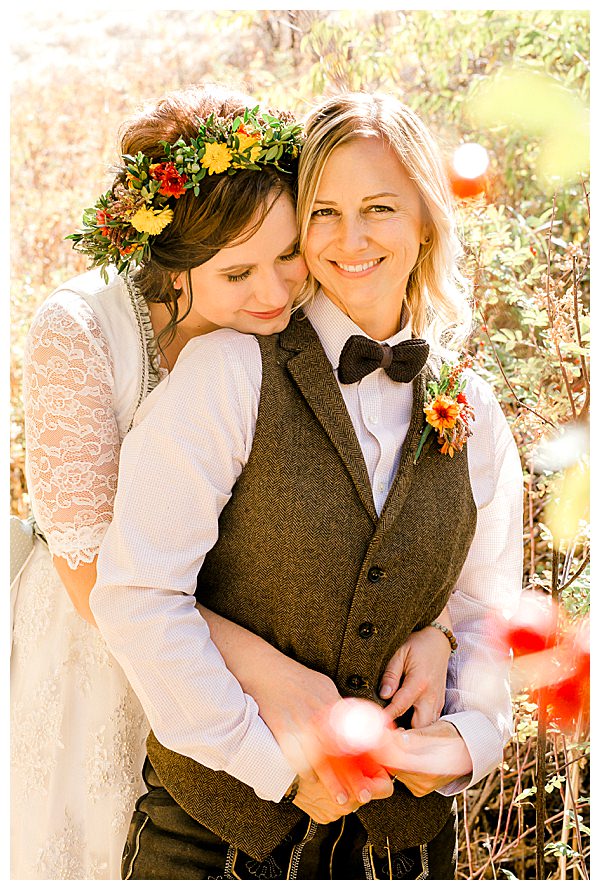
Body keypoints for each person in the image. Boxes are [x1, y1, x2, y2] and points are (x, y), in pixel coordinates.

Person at [11, 85, 452, 880]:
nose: (277, 293)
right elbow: (96, 573)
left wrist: (440, 626)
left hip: (226, 613)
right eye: (238, 272)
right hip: (104, 632)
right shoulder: (81, 331)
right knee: (100, 836)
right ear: (171, 266)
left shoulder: (296, 310)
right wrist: (264, 670)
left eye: (288, 256)